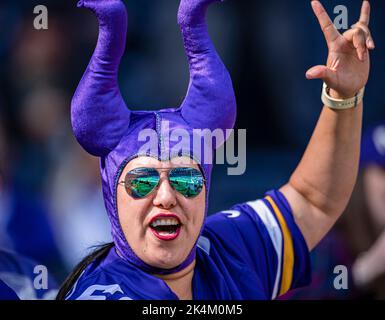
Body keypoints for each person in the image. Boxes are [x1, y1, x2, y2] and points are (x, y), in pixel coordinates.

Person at [57, 0, 374, 300]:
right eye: (142, 182)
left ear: (206, 191)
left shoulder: (229, 247)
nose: (167, 197)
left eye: (186, 181)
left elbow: (313, 200)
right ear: (113, 198)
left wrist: (344, 96)